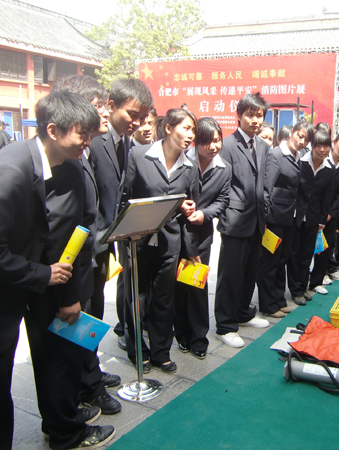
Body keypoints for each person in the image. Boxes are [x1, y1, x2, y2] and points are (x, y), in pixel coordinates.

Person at [0, 91, 115, 450]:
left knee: (55, 360)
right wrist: (41, 274)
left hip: (36, 284)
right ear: (53, 130)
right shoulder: (9, 172)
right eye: (82, 133)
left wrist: (65, 292)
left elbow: (72, 233)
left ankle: (64, 430)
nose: (87, 142)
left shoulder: (69, 165)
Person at [53, 74, 122, 415]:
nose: (104, 112)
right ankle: (87, 386)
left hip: (97, 248)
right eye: (97, 106)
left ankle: (90, 372)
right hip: (74, 259)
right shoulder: (66, 155)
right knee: (77, 322)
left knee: (92, 316)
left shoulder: (95, 145)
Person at [121, 108, 200, 373]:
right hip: (137, 239)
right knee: (137, 297)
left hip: (169, 242)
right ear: (168, 128)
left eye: (193, 130)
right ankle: (137, 350)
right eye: (186, 128)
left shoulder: (189, 167)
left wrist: (185, 212)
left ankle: (160, 351)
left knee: (164, 298)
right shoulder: (139, 156)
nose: (190, 135)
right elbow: (125, 196)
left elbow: (189, 206)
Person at [88, 78, 153, 353]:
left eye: (143, 117)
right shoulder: (92, 141)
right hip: (89, 243)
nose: (137, 123)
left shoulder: (126, 143)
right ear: (111, 105)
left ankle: (90, 369)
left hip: (109, 240)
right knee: (85, 309)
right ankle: (85, 372)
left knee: (95, 308)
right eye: (132, 114)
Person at [215, 93, 271, 348]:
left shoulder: (263, 146)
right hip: (235, 222)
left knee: (250, 272)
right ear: (239, 115)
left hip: (257, 220)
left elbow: (265, 184)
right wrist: (227, 214)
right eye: (250, 115)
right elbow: (221, 186)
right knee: (230, 276)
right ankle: (225, 326)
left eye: (259, 115)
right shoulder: (227, 145)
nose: (255, 120)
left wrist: (265, 210)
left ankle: (243, 312)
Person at [175, 118, 231, 359]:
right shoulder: (182, 162)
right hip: (178, 234)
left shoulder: (224, 168)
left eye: (217, 140)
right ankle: (181, 335)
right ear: (196, 142)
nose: (213, 146)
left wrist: (205, 214)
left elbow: (223, 200)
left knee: (197, 286)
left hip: (201, 236)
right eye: (207, 142)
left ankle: (199, 338)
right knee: (180, 286)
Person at [257, 120, 311, 318]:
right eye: (300, 136)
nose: (302, 141)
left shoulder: (301, 156)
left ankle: (278, 299)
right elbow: (267, 189)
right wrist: (264, 218)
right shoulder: (276, 155)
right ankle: (267, 305)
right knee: (269, 261)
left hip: (291, 217)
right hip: (275, 218)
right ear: (292, 132)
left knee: (282, 260)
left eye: (306, 139)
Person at [287, 129, 334, 305]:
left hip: (313, 219)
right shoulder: (300, 162)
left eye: (326, 146)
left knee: (307, 254)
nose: (322, 150)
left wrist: (322, 220)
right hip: (296, 216)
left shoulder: (329, 169)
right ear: (312, 146)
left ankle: (302, 287)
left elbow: (327, 197)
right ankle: (295, 290)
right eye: (318, 146)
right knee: (294, 254)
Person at [309, 130, 339, 294]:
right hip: (314, 212)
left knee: (325, 248)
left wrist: (336, 216)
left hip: (331, 215)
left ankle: (317, 280)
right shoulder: (322, 160)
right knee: (307, 249)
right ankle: (302, 282)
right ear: (334, 143)